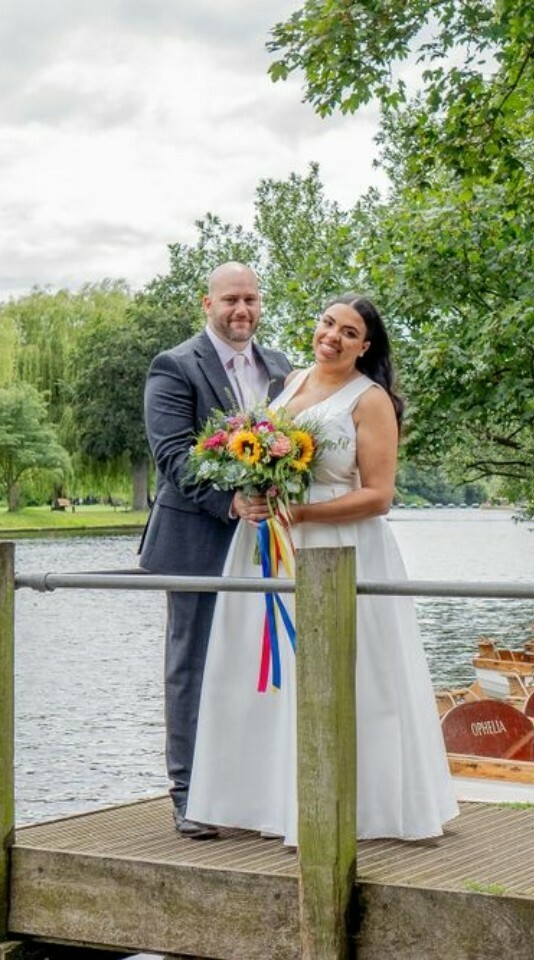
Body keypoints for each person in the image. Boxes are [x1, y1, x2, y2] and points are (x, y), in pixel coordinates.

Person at [186, 294, 459, 844]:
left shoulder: (371, 399)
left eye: (349, 332)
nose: (332, 336)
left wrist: (301, 512)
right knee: (269, 669)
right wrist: (255, 486)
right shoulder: (291, 381)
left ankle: (365, 807)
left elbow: (380, 496)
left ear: (366, 346)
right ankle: (270, 802)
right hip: (273, 544)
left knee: (351, 671)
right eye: (328, 323)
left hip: (338, 543)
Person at [139, 262, 292, 838]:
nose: (241, 311)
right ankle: (187, 794)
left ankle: (248, 790)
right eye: (230, 300)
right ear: (207, 304)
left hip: (268, 545)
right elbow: (174, 457)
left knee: (258, 665)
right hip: (198, 540)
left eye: (250, 299)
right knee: (193, 665)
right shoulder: (175, 366)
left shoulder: (280, 368)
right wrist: (231, 504)